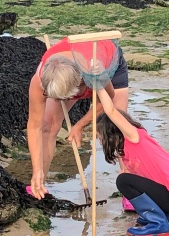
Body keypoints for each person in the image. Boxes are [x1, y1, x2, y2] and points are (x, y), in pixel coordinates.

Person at [27, 37, 129, 200]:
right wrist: (36, 168)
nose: (60, 102)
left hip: (109, 63)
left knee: (118, 129)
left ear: (79, 85)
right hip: (70, 68)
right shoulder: (40, 80)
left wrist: (80, 125)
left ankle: (131, 191)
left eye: (65, 98)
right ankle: (40, 184)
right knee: (48, 125)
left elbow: (108, 100)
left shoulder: (93, 72)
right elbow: (34, 126)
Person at [95, 86, 169, 236]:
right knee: (126, 177)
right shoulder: (127, 148)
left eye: (100, 135)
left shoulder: (134, 136)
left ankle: (158, 225)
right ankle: (165, 218)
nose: (99, 139)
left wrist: (98, 85)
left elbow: (111, 111)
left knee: (123, 181)